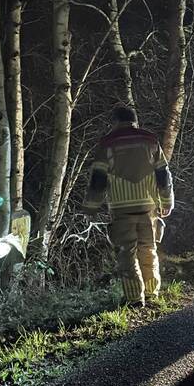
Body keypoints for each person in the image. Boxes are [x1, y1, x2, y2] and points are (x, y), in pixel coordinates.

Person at [82, 105, 174, 308]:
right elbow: (163, 175)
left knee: (127, 253)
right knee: (148, 249)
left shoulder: (107, 144)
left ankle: (134, 298)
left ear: (115, 122)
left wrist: (90, 208)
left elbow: (98, 181)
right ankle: (152, 293)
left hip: (121, 208)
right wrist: (167, 201)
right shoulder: (150, 140)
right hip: (149, 207)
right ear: (134, 120)